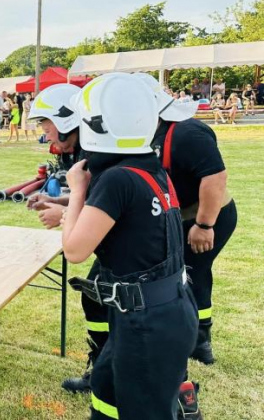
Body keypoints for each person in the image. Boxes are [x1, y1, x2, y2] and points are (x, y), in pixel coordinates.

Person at [63, 73, 199, 419]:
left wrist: (77, 188)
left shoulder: (115, 179)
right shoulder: (150, 169)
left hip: (146, 322)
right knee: (107, 386)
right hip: (165, 310)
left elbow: (75, 251)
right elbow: (129, 224)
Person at [139, 73, 238, 368]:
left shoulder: (186, 132)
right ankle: (198, 340)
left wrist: (204, 225)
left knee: (191, 273)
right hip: (181, 216)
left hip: (207, 215)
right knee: (193, 272)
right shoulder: (151, 131)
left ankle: (198, 340)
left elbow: (216, 176)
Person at [25, 84, 110, 394]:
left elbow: (100, 209)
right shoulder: (85, 149)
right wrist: (54, 202)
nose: (45, 133)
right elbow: (86, 198)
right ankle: (102, 366)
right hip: (113, 243)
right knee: (95, 299)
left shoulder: (96, 155)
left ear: (65, 119)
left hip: (125, 247)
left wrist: (61, 216)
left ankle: (105, 370)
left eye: (45, 124)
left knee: (104, 303)